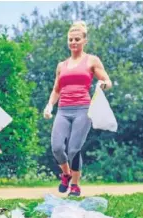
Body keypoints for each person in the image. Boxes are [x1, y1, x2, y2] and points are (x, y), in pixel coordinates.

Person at [43, 21, 112, 196]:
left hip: (83, 109)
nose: (73, 42)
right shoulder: (62, 65)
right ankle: (66, 174)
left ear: (84, 41)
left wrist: (103, 84)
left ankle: (75, 184)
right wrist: (50, 105)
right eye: (70, 39)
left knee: (74, 149)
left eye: (77, 39)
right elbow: (56, 89)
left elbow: (108, 81)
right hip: (63, 110)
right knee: (57, 147)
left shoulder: (92, 60)